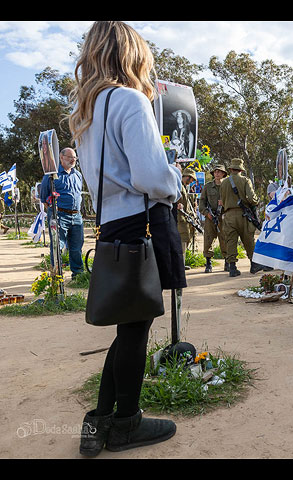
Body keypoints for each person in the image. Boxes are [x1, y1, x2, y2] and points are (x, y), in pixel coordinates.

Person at [68, 21, 184, 456]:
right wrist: (173, 176)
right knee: (135, 331)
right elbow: (151, 177)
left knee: (126, 328)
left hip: (111, 225)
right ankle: (126, 423)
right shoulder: (131, 101)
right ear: (133, 54)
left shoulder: (89, 109)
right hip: (141, 223)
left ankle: (97, 425)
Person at [39, 147, 85, 278]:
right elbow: (44, 197)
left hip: (76, 216)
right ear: (61, 157)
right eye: (70, 157)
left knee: (76, 246)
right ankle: (56, 275)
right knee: (57, 246)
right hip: (59, 215)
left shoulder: (78, 175)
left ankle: (78, 274)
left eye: (75, 157)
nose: (73, 160)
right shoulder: (52, 175)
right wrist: (54, 211)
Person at [219, 157, 260, 277]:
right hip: (243, 215)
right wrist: (255, 202)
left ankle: (232, 267)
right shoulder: (245, 181)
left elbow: (222, 199)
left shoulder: (224, 182)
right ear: (241, 170)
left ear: (231, 169)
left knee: (231, 241)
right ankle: (254, 264)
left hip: (229, 215)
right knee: (248, 239)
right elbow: (252, 198)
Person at [198, 164, 228, 273]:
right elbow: (202, 202)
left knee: (224, 239)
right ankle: (208, 262)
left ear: (224, 174)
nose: (217, 173)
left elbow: (233, 201)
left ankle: (227, 262)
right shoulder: (207, 186)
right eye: (215, 172)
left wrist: (224, 204)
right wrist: (206, 213)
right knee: (208, 239)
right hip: (210, 217)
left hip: (223, 217)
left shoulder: (227, 186)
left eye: (219, 171)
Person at [176, 167, 199, 260]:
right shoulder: (178, 186)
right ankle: (180, 265)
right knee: (182, 244)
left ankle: (181, 264)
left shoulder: (183, 187)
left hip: (184, 220)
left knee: (185, 242)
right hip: (179, 220)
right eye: (191, 179)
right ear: (187, 177)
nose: (191, 181)